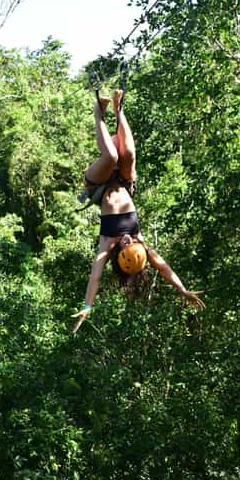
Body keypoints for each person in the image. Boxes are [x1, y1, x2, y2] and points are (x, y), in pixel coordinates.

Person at [72, 89, 204, 334]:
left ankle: (97, 112)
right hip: (124, 182)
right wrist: (182, 289)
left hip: (98, 185)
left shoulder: (107, 244)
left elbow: (95, 277)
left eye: (125, 244)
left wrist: (88, 305)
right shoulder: (140, 245)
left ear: (119, 252)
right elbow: (163, 267)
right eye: (133, 242)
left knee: (111, 155)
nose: (128, 239)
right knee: (130, 153)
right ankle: (118, 108)